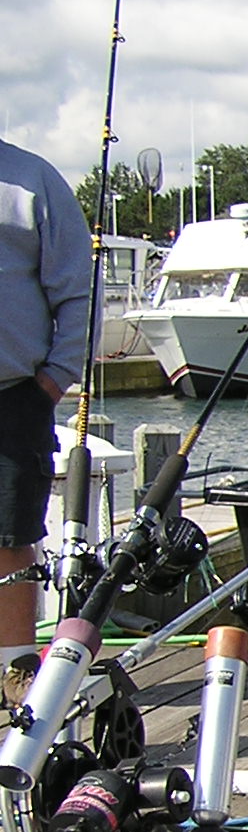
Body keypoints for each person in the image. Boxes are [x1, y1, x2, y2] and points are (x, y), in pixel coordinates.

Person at [0, 134, 92, 711]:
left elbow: (78, 294)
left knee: (11, 537)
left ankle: (12, 671)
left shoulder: (34, 181)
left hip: (13, 396)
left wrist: (52, 380)